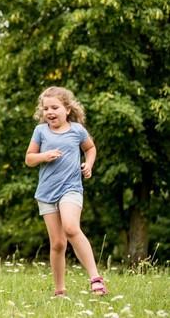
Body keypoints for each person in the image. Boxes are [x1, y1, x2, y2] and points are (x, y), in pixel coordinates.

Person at [25, 86, 108, 297]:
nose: (50, 112)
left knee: (71, 228)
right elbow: (29, 159)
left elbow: (90, 148)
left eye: (55, 107)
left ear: (67, 109)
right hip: (46, 192)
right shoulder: (40, 131)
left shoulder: (77, 130)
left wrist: (88, 165)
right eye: (46, 108)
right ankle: (60, 290)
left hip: (71, 188)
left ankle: (95, 278)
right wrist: (44, 156)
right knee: (58, 243)